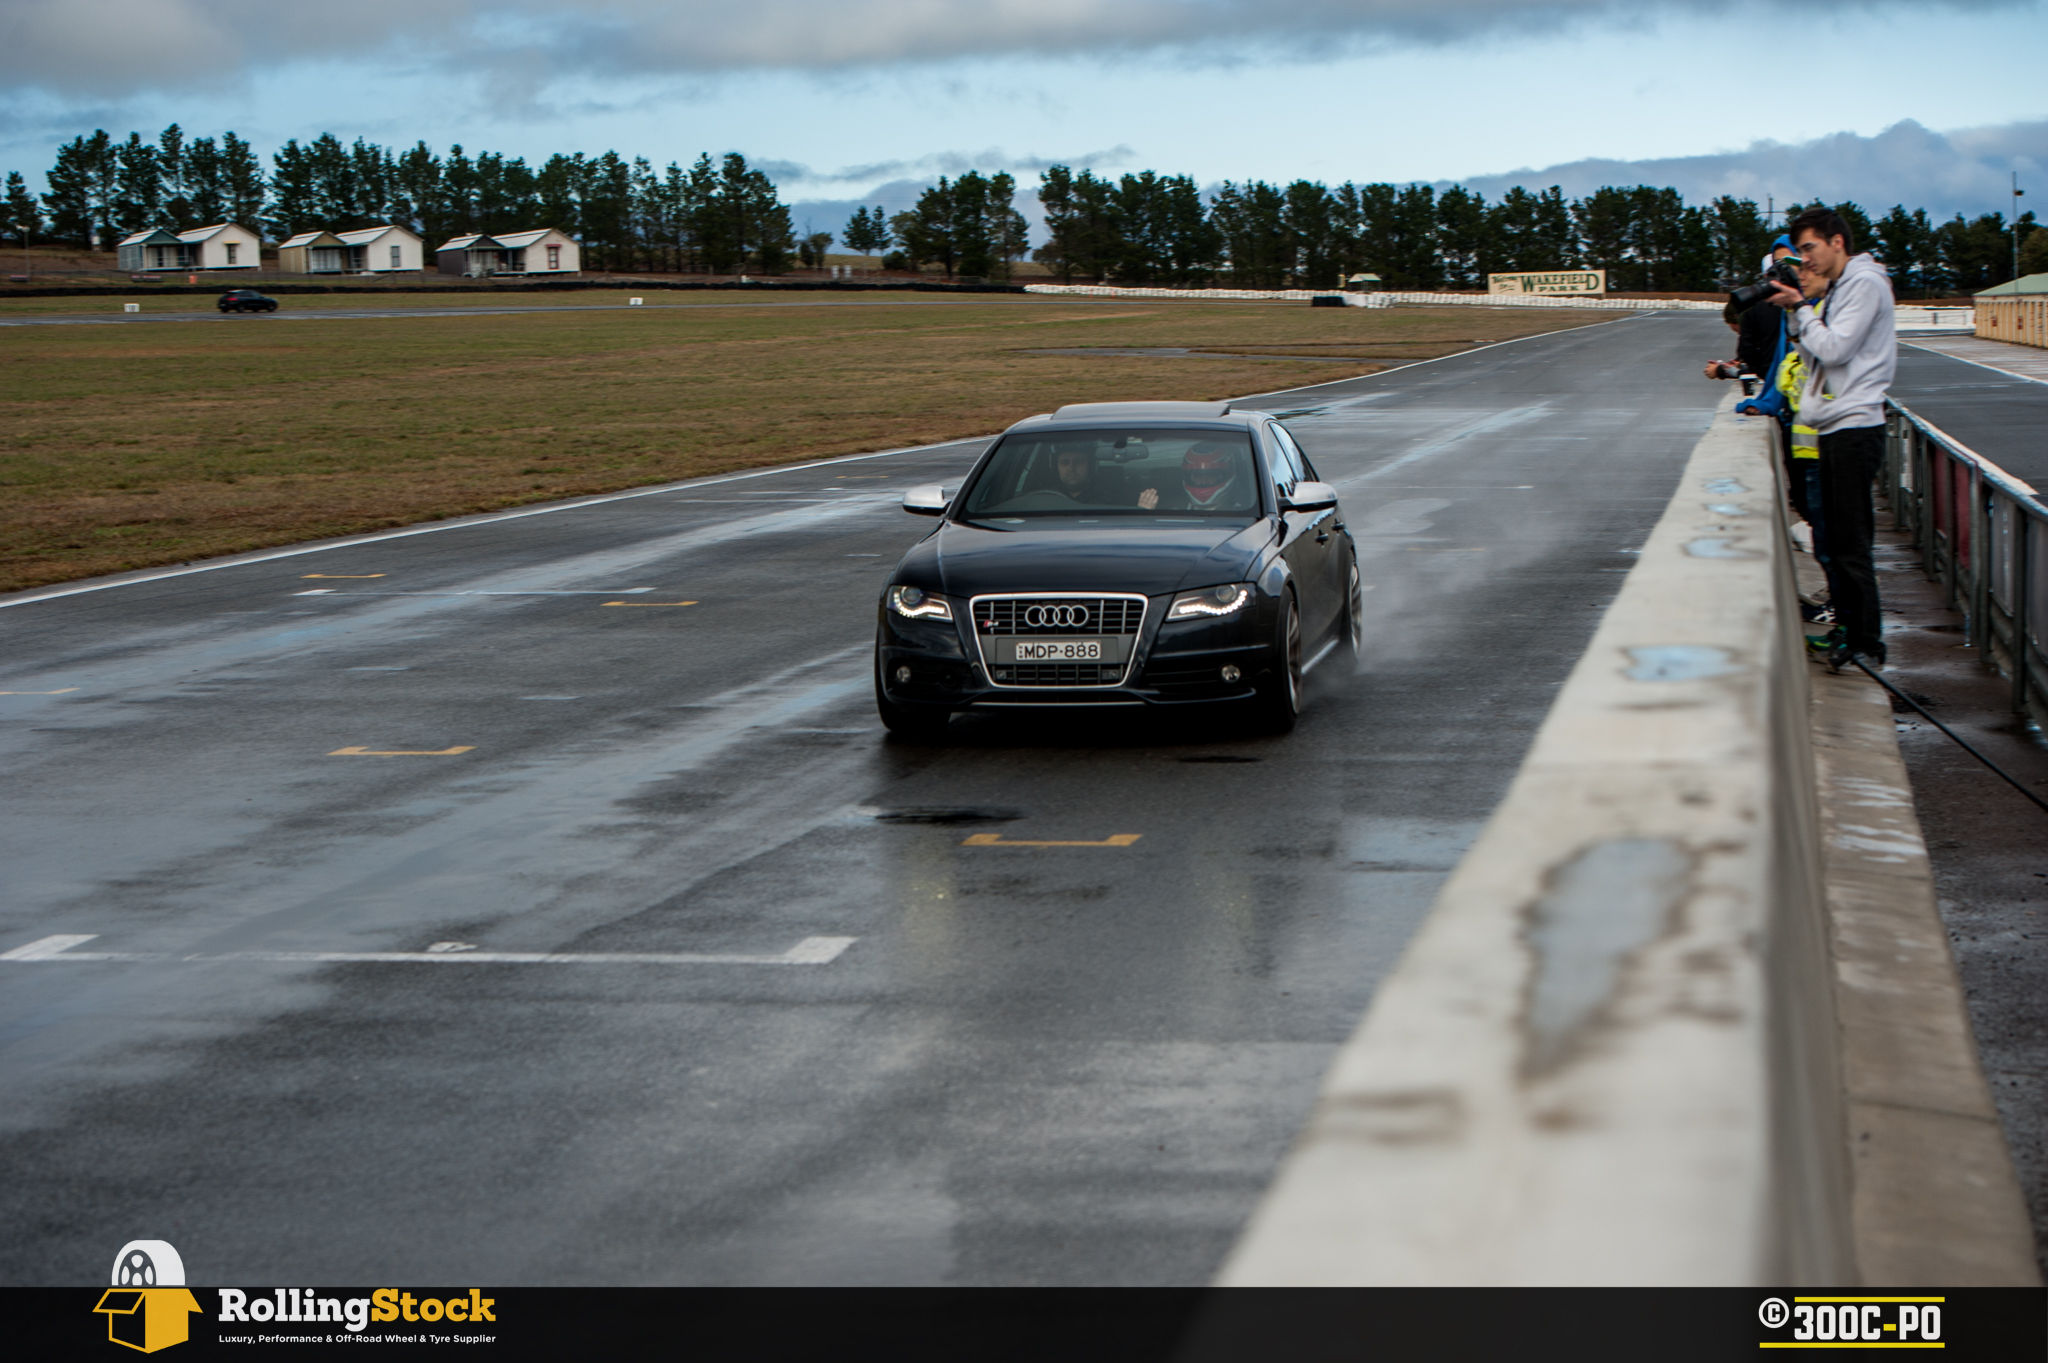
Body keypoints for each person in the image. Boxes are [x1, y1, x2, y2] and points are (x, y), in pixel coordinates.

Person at [1766, 206, 1896, 668]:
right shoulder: (1845, 286)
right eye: (1801, 251)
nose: (1806, 261)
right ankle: (1854, 633)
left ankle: (1865, 641)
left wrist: (1803, 307)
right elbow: (1815, 355)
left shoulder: (1863, 283)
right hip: (1839, 426)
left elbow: (1836, 349)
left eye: (1809, 248)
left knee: (1850, 543)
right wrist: (1798, 315)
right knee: (1840, 541)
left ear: (1837, 242)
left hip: (1855, 427)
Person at [1136, 441, 1251, 511]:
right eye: (1197, 476)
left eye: (1211, 475)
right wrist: (1143, 512)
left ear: (1227, 475)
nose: (1203, 481)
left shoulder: (1246, 511)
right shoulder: (1171, 510)